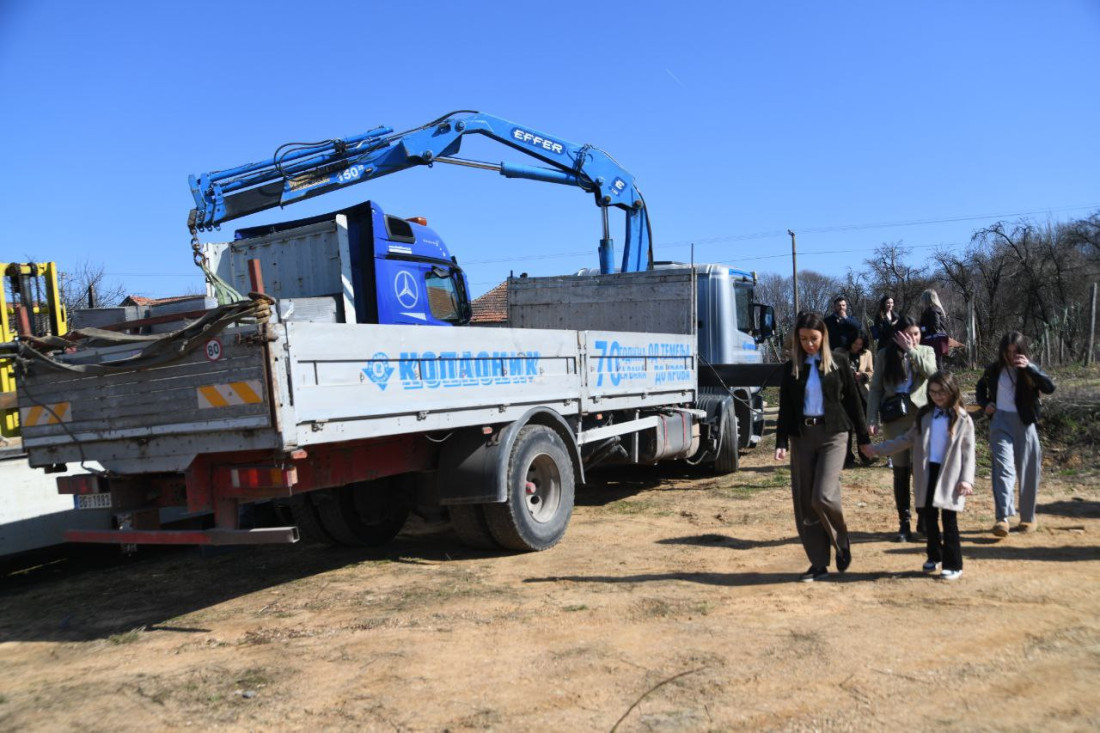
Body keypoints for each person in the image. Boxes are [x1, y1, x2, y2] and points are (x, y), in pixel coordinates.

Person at [775, 311, 871, 582]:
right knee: (806, 504)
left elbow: (853, 402)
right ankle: (818, 563)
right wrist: (781, 441)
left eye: (814, 338)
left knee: (823, 496)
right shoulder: (791, 367)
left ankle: (841, 539)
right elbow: (785, 408)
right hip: (802, 436)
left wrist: (863, 439)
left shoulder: (839, 361)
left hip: (834, 434)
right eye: (803, 339)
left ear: (823, 337)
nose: (809, 344)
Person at [862, 371, 975, 580]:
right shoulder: (924, 415)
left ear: (952, 391)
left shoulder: (962, 418)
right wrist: (878, 449)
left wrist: (966, 479)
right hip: (927, 472)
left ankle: (954, 564)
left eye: (941, 392)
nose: (937, 397)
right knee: (929, 518)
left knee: (949, 520)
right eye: (932, 393)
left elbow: (968, 452)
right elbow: (905, 439)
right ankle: (934, 555)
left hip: (951, 475)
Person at [975, 331, 1056, 538]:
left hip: (1025, 422)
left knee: (1029, 471)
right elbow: (980, 388)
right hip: (1000, 422)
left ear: (1022, 351)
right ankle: (1002, 518)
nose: (1011, 356)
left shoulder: (1030, 370)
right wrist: (986, 404)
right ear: (1002, 352)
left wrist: (1029, 367)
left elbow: (1049, 387)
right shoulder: (993, 370)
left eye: (1015, 352)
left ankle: (1028, 518)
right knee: (1003, 468)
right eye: (1007, 352)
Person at [867, 316, 938, 542]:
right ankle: (903, 522)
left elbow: (934, 375)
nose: (913, 338)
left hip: (921, 416)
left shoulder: (926, 351)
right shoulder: (883, 355)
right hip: (894, 416)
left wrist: (913, 352)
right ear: (897, 335)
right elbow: (876, 388)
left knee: (921, 471)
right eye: (908, 334)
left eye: (916, 334)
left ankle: (924, 519)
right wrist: (871, 418)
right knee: (900, 471)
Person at [835, 329, 874, 468]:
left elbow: (871, 372)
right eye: (855, 344)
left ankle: (866, 455)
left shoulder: (867, 353)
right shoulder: (839, 352)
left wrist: (862, 375)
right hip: (844, 394)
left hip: (861, 392)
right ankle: (847, 458)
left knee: (862, 425)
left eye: (860, 344)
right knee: (846, 427)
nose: (857, 346)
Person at [919, 289, 949, 369]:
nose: (922, 301)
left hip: (933, 340)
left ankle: (941, 381)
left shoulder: (933, 310)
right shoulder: (936, 309)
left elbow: (935, 325)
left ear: (927, 299)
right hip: (936, 340)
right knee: (936, 363)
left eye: (923, 298)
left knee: (937, 364)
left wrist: (921, 329)